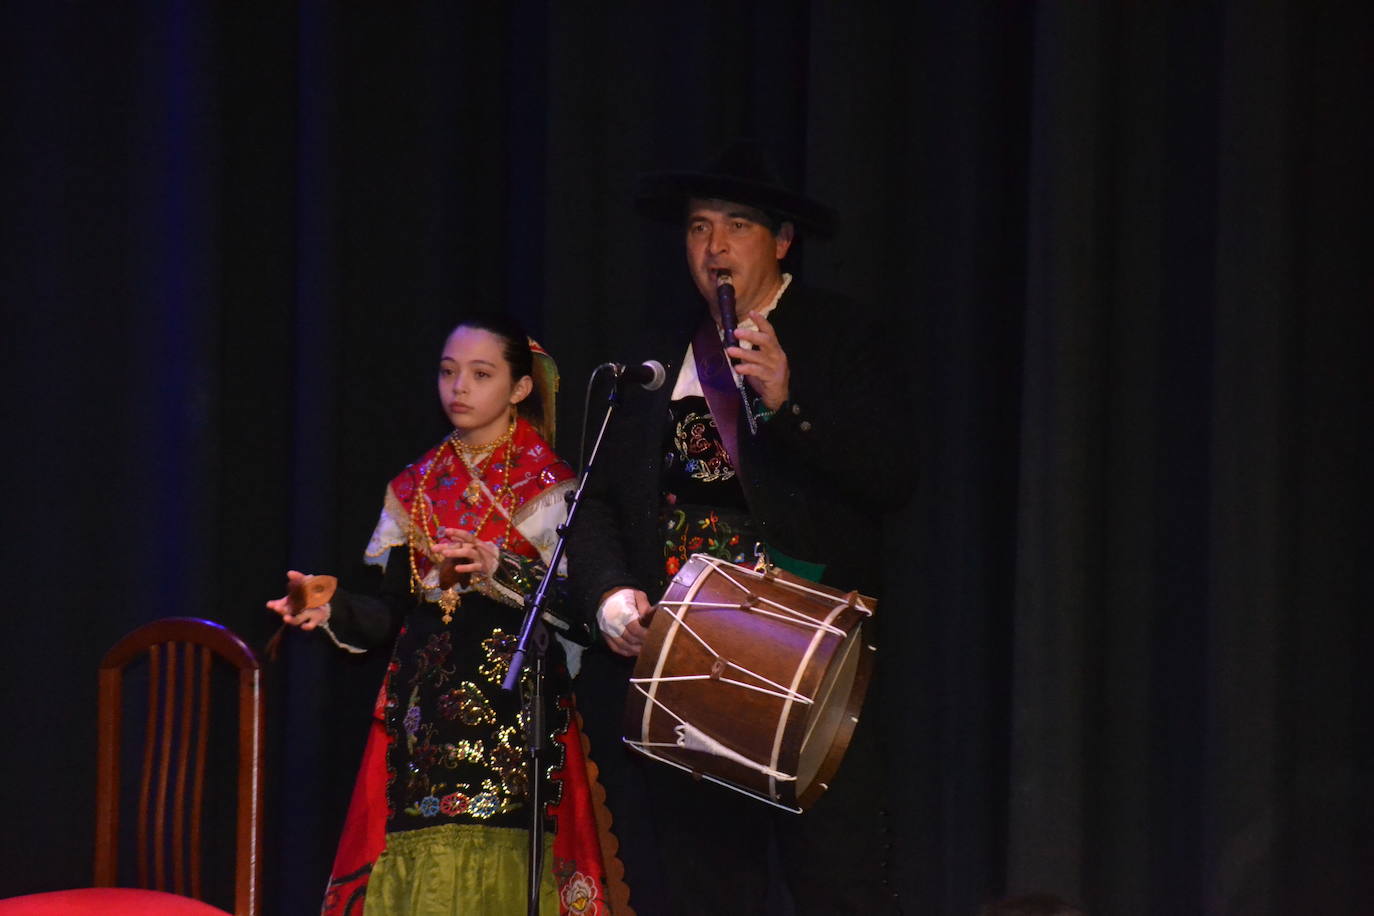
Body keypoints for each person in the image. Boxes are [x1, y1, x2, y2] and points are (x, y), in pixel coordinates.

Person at [568, 139, 910, 914]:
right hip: (683, 670)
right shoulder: (653, 352)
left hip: (805, 662)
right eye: (697, 227)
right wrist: (610, 594)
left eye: (736, 227)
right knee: (702, 892)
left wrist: (791, 406)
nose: (713, 247)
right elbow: (593, 501)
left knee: (840, 889)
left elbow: (892, 478)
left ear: (783, 240)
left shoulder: (842, 336)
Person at [268, 315, 607, 916]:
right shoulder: (416, 487)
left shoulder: (554, 489)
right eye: (449, 373)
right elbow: (388, 615)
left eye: (481, 374)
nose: (460, 388)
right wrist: (330, 608)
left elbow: (582, 615)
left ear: (520, 388)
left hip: (517, 718)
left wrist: (500, 566)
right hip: (423, 725)